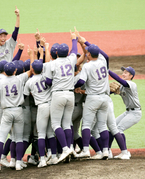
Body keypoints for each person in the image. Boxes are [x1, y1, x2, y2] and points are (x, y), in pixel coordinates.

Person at [0, 46, 34, 173]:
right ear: (15, 71)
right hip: (19, 111)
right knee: (19, 138)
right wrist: (32, 55)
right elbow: (32, 70)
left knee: (1, 138)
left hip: (7, 112)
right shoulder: (19, 78)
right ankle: (18, 163)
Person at [74, 30, 110, 159]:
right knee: (102, 125)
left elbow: (82, 81)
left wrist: (72, 87)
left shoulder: (87, 67)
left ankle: (85, 150)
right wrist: (84, 41)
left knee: (86, 125)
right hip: (105, 98)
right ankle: (105, 151)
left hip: (93, 98)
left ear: (89, 54)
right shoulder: (103, 62)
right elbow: (104, 54)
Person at [44, 30, 78, 163]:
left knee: (55, 124)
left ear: (56, 53)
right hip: (70, 95)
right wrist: (74, 38)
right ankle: (70, 147)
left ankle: (65, 149)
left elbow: (47, 82)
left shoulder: (51, 64)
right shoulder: (71, 60)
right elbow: (74, 50)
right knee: (66, 124)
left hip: (58, 94)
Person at [108, 66, 142, 158]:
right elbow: (108, 92)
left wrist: (107, 70)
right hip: (128, 112)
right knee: (112, 127)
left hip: (135, 113)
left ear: (131, 76)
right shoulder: (122, 86)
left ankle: (125, 153)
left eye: (126, 73)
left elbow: (119, 79)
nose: (123, 74)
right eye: (123, 72)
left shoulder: (131, 84)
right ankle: (107, 151)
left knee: (118, 129)